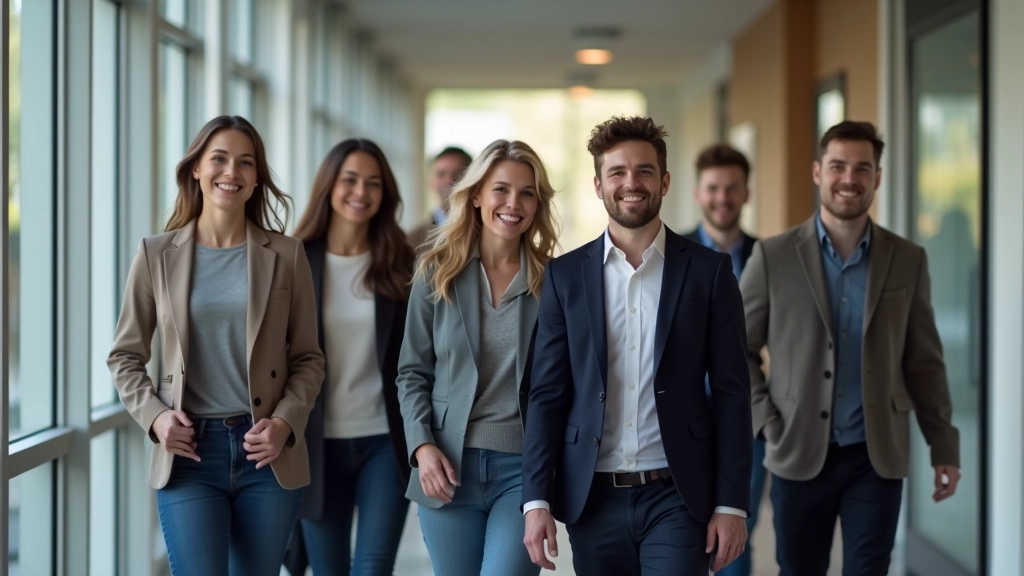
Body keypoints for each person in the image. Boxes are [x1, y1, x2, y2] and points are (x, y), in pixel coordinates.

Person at [521, 116, 752, 576]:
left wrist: (732, 504)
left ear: (664, 181)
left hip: (678, 493)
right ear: (598, 184)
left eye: (645, 171)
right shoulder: (565, 277)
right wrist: (536, 498)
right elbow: (547, 393)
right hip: (592, 495)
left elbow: (731, 392)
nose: (632, 183)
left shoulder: (709, 272)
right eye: (618, 172)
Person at [740, 120, 961, 575]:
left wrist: (944, 443)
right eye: (838, 165)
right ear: (818, 172)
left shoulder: (908, 259)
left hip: (875, 455)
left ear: (877, 178)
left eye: (862, 168)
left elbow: (924, 361)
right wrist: (765, 419)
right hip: (796, 448)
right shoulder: (773, 256)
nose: (849, 178)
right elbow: (735, 350)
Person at [108, 115, 325, 576]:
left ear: (256, 178)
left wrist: (286, 422)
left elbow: (308, 358)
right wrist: (155, 416)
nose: (232, 172)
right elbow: (125, 356)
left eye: (246, 163)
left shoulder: (286, 256)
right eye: (219, 159)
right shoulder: (155, 254)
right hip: (189, 452)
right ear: (195, 170)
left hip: (265, 451)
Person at [397, 139, 559, 576]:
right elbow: (412, 372)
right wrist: (422, 446)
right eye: (501, 189)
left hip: (522, 471)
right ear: (476, 197)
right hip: (447, 468)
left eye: (527, 192)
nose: (513, 203)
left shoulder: (554, 281)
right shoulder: (436, 271)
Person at [282, 139, 415, 576]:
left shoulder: (401, 262)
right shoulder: (291, 261)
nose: (361, 192)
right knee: (329, 570)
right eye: (350, 180)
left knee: (373, 568)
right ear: (329, 186)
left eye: (373, 183)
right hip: (315, 445)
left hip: (384, 440)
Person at [683, 143, 761, 576]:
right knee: (682, 536)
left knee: (735, 545)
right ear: (698, 192)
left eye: (732, 188)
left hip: (747, 423)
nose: (722, 198)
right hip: (682, 424)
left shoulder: (768, 257)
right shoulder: (669, 254)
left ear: (746, 193)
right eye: (713, 188)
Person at [407, 146, 472, 249]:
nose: (449, 180)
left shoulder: (489, 232)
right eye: (441, 174)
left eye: (458, 173)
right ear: (431, 181)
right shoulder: (411, 240)